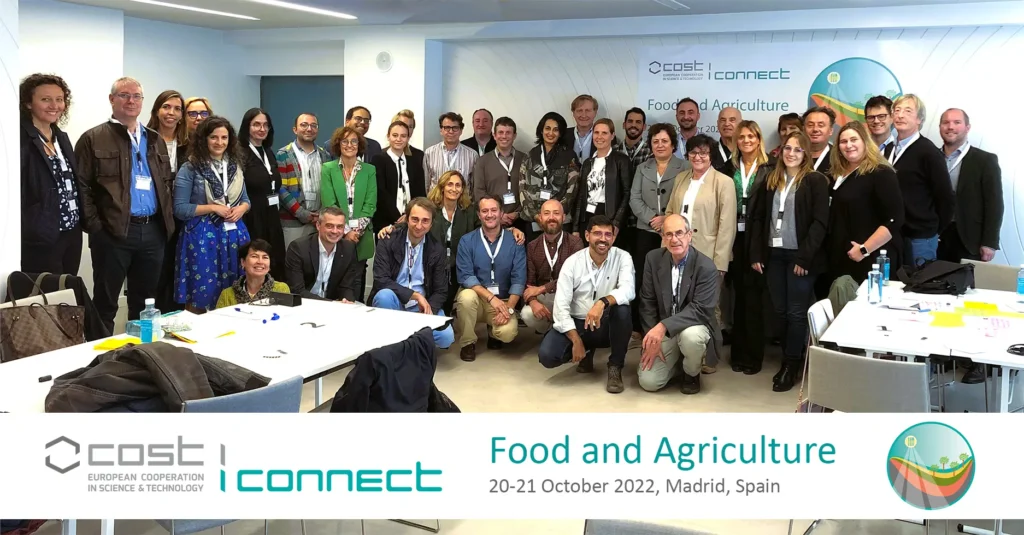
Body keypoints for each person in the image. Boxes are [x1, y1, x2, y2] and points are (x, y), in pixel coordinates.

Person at [75, 77, 175, 333]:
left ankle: (139, 355)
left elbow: (165, 184)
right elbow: (82, 186)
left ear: (143, 101)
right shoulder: (93, 138)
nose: (131, 101)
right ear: (112, 99)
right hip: (113, 232)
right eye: (124, 95)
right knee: (106, 302)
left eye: (137, 96)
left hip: (153, 231)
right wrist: (96, 227)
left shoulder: (154, 139)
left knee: (145, 301)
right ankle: (100, 359)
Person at [749, 131, 830, 392]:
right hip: (774, 255)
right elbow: (759, 218)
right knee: (781, 311)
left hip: (800, 257)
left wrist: (804, 256)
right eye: (787, 148)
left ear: (806, 154)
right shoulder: (772, 179)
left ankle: (791, 364)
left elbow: (820, 223)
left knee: (796, 312)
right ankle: (791, 358)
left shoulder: (816, 180)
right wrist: (757, 254)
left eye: (797, 149)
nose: (791, 153)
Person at [538, 215, 634, 393]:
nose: (603, 239)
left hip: (605, 323)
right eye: (597, 233)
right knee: (548, 356)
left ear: (613, 237)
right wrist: (576, 340)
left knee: (623, 309)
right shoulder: (572, 263)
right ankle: (586, 351)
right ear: (587, 235)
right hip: (578, 323)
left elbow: (628, 290)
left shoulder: (623, 257)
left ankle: (615, 366)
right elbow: (561, 308)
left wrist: (602, 303)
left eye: (608, 234)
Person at [667, 134, 736, 373]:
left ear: (711, 156)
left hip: (708, 255)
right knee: (678, 300)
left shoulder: (723, 182)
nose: (698, 157)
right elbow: (670, 213)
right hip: (677, 252)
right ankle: (681, 349)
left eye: (703, 153)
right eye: (694, 153)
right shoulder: (681, 178)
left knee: (710, 305)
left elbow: (727, 225)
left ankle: (709, 354)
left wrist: (721, 262)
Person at [173, 116, 251, 311]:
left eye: (224, 137)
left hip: (234, 234)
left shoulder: (235, 166)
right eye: (214, 137)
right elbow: (180, 208)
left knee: (234, 289)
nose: (219, 142)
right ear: (204, 139)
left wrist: (241, 209)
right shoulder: (190, 167)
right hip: (201, 238)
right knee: (201, 292)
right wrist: (213, 208)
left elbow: (246, 200)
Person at [638, 214, 721, 395]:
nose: (674, 239)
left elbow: (700, 310)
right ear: (663, 237)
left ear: (689, 235)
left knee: (691, 337)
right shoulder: (653, 259)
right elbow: (647, 302)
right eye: (668, 234)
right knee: (649, 382)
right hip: (666, 331)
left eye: (679, 233)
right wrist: (652, 337)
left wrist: (662, 326)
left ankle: (691, 373)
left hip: (693, 327)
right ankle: (677, 364)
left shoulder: (706, 267)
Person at [371, 197, 455, 349]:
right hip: (395, 301)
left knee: (446, 337)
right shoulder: (388, 239)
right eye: (414, 219)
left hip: (421, 306)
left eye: (425, 221)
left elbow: (441, 291)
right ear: (406, 219)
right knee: (383, 296)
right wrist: (414, 295)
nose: (419, 226)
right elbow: (380, 279)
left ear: (431, 224)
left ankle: (403, 337)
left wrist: (426, 313)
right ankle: (398, 344)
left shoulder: (437, 249)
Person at [826, 121, 904, 286]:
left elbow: (894, 219)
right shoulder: (836, 174)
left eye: (854, 140)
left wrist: (864, 249)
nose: (849, 145)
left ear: (865, 142)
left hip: (869, 259)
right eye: (843, 141)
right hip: (841, 257)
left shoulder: (881, 172)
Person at [20, 73, 83, 275]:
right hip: (41, 233)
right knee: (45, 298)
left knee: (68, 290)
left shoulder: (61, 138)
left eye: (59, 99)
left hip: (71, 230)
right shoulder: (20, 139)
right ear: (28, 103)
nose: (54, 105)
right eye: (45, 99)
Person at [629, 123, 687, 337]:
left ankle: (670, 327)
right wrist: (652, 218)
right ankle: (642, 328)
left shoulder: (686, 167)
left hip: (673, 235)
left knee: (671, 281)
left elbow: (687, 200)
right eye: (655, 141)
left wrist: (667, 220)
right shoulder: (642, 168)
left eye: (664, 141)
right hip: (646, 231)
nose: (660, 145)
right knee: (645, 280)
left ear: (673, 144)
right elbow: (634, 199)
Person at [884, 94, 955, 265]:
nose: (900, 115)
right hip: (892, 234)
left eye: (908, 111)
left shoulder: (928, 152)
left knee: (918, 286)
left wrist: (933, 230)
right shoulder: (889, 150)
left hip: (919, 237)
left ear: (919, 119)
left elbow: (945, 197)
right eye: (897, 110)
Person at [454, 195, 527, 361]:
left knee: (507, 334)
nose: (489, 215)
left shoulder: (515, 241)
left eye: (494, 210)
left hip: (503, 301)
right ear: (479, 215)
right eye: (484, 211)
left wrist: (508, 308)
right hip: (478, 300)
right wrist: (491, 298)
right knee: (465, 296)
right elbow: (466, 276)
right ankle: (467, 342)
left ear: (501, 213)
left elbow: (519, 279)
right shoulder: (467, 241)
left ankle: (493, 331)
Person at [725, 120, 771, 374]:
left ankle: (754, 356)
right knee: (738, 298)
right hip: (735, 238)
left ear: (759, 139)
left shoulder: (769, 168)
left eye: (751, 136)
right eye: (741, 137)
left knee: (754, 300)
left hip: (758, 239)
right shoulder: (729, 167)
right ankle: (738, 354)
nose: (746, 141)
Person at [937, 108, 1003, 264]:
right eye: (946, 122)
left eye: (957, 122)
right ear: (940, 127)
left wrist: (990, 243)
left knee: (967, 286)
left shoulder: (984, 160)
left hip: (969, 240)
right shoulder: (931, 157)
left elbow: (994, 204)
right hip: (936, 237)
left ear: (967, 127)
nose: (950, 127)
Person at [320, 126, 377, 303]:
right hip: (336, 233)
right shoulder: (328, 169)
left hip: (361, 236)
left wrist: (356, 232)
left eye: (354, 141)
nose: (350, 145)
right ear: (338, 144)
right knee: (337, 277)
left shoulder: (369, 170)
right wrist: (345, 231)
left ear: (359, 145)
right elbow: (329, 202)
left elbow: (370, 204)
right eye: (345, 141)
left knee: (357, 277)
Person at [521, 199, 585, 334]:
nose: (551, 218)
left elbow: (574, 278)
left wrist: (542, 288)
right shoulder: (532, 246)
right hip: (546, 298)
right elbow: (529, 284)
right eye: (547, 213)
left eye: (556, 213)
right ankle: (552, 332)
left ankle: (558, 333)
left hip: (570, 296)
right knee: (527, 313)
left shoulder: (575, 243)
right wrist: (533, 302)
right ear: (540, 217)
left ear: (563, 217)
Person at [238, 108, 287, 281]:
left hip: (272, 215)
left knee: (274, 260)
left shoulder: (268, 152)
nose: (262, 129)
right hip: (252, 216)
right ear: (247, 127)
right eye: (256, 124)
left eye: (265, 125)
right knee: (256, 261)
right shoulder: (240, 153)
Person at [520, 112, 580, 239]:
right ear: (541, 131)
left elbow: (572, 190)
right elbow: (522, 188)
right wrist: (536, 216)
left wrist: (554, 215)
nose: (551, 133)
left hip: (560, 222)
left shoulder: (569, 156)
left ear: (561, 133)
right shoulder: (530, 155)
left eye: (555, 130)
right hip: (533, 221)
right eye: (547, 128)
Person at [276, 112, 333, 247]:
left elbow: (329, 187)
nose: (309, 129)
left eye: (313, 125)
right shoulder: (283, 154)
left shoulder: (325, 156)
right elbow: (281, 189)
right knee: (294, 262)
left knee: (317, 263)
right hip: (293, 222)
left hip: (320, 221)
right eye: (304, 125)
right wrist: (302, 213)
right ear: (295, 129)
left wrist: (321, 214)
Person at [285, 207, 362, 301]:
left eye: (339, 227)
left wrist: (347, 301)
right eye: (329, 226)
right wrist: (331, 304)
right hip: (305, 305)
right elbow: (297, 290)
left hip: (334, 305)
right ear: (318, 225)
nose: (335, 231)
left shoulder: (348, 248)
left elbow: (347, 286)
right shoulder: (299, 248)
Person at [473, 116, 529, 236]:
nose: (504, 136)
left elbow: (529, 190)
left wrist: (517, 213)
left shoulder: (525, 159)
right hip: (491, 220)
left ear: (514, 136)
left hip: (520, 220)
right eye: (501, 132)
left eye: (508, 133)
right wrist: (498, 215)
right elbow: (479, 192)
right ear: (494, 135)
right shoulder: (482, 161)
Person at [576, 118, 633, 233]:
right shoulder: (588, 163)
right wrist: (575, 227)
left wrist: (616, 222)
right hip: (587, 215)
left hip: (609, 216)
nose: (599, 137)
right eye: (596, 133)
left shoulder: (621, 160)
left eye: (604, 133)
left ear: (612, 136)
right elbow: (581, 195)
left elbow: (627, 194)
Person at [371, 121, 426, 233]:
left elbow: (420, 192)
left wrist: (409, 215)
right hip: (385, 221)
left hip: (411, 220)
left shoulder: (415, 161)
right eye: (395, 135)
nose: (399, 139)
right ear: (388, 136)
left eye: (403, 136)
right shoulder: (379, 160)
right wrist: (397, 218)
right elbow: (381, 192)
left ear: (408, 138)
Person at [215, 239, 290, 309]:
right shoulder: (227, 295)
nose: (260, 262)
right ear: (243, 262)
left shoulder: (281, 289)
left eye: (265, 257)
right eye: (254, 256)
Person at [424, 112, 479, 192]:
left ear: (461, 131)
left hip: (462, 203)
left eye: (455, 128)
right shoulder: (429, 153)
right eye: (447, 128)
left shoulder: (472, 155)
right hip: (435, 203)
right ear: (441, 130)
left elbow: (474, 186)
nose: (451, 131)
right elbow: (426, 184)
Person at [146, 90, 186, 173]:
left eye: (177, 109)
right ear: (156, 111)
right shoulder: (145, 140)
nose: (171, 112)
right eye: (166, 107)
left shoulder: (189, 144)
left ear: (182, 115)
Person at [614, 107, 652, 175]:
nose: (633, 125)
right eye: (630, 121)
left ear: (644, 127)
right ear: (624, 125)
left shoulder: (651, 152)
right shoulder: (613, 151)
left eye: (638, 122)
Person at [802, 106, 835, 176]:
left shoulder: (839, 158)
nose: (815, 129)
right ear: (803, 129)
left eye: (821, 125)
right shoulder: (793, 155)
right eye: (810, 125)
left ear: (831, 130)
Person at [711, 107, 741, 175]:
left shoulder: (747, 153)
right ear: (717, 124)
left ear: (741, 123)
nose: (727, 124)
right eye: (723, 120)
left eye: (732, 120)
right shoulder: (708, 152)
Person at [571, 95, 599, 161]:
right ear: (573, 113)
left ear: (595, 113)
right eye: (579, 110)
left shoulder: (606, 136)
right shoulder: (563, 135)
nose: (583, 115)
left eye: (588, 110)